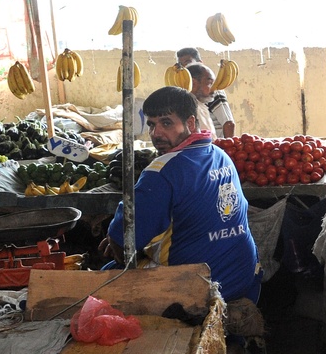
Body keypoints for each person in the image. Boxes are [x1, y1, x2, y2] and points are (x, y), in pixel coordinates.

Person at [100, 86, 261, 303]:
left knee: (110, 273)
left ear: (191, 123)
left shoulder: (162, 172)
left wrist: (120, 244)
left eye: (166, 123)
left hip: (203, 289)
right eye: (152, 125)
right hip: (244, 276)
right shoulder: (220, 154)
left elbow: (121, 239)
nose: (156, 134)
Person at [187, 62, 235, 138]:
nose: (214, 89)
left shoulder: (202, 106)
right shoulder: (189, 108)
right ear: (193, 83)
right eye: (210, 83)